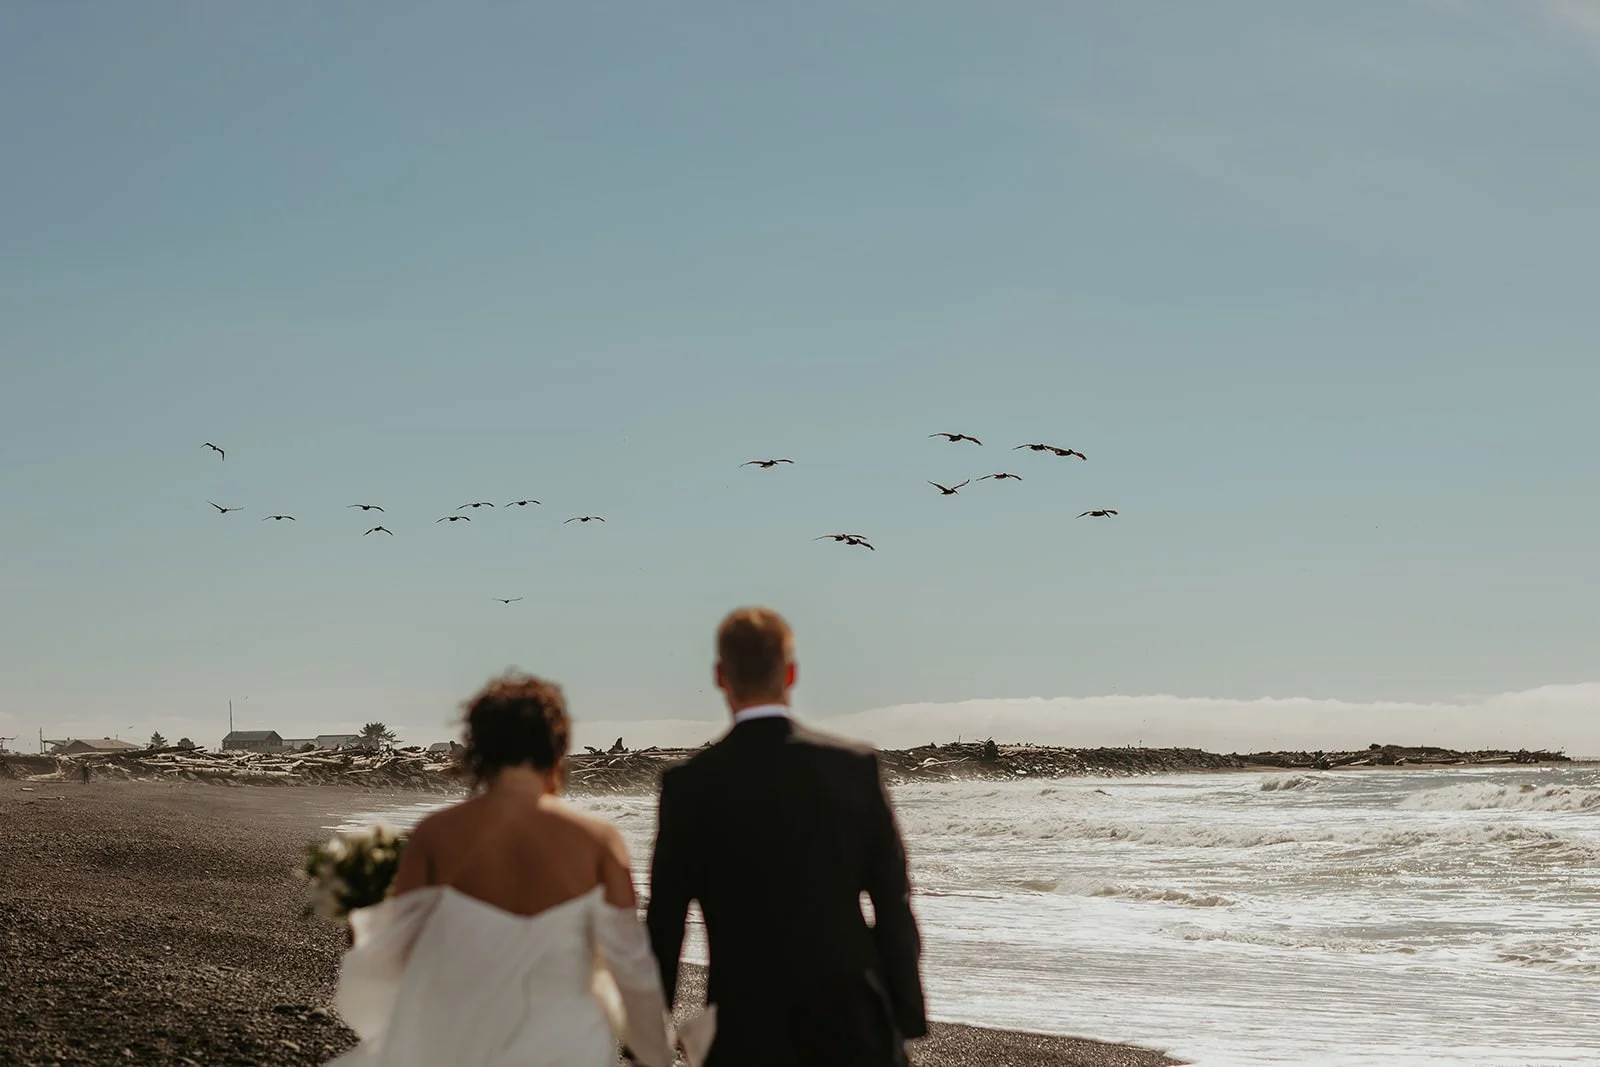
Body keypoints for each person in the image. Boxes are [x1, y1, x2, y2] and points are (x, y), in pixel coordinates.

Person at [326, 672, 674, 1067]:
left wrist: (359, 912)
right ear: (556, 747)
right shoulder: (598, 840)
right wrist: (653, 1052)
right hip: (569, 1045)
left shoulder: (435, 835)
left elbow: (392, 956)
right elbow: (631, 962)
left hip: (464, 1041)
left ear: (479, 750)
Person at [647, 607, 927, 1067]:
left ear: (720, 676)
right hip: (852, 1022)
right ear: (791, 673)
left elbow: (666, 922)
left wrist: (649, 1035)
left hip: (744, 1028)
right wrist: (904, 1018)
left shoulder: (690, 784)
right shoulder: (852, 767)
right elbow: (893, 901)